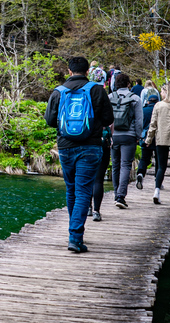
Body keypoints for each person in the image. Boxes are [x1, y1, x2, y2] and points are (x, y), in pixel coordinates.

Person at [45, 56, 114, 253]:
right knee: (84, 190)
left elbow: (50, 120)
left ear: (69, 71)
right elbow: (108, 118)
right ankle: (75, 237)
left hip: (66, 147)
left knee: (71, 189)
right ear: (87, 72)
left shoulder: (58, 92)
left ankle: (74, 232)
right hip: (90, 147)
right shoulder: (97, 90)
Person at [109, 73, 143, 209]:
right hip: (129, 136)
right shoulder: (135, 98)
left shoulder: (110, 97)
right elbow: (139, 121)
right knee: (125, 166)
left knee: (115, 165)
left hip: (114, 136)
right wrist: (138, 136)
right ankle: (120, 196)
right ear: (129, 84)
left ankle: (116, 193)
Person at [144, 82, 170, 204]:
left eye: (162, 91)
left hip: (161, 139)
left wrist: (148, 139)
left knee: (161, 167)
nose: (161, 93)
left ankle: (157, 190)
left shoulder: (158, 106)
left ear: (166, 92)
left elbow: (153, 124)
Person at [135, 94, 159, 191]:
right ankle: (158, 179)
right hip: (158, 138)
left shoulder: (143, 110)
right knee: (159, 160)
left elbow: (139, 123)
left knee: (144, 159)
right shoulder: (159, 110)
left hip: (145, 138)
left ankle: (140, 173)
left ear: (148, 101)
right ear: (157, 102)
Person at [89, 123, 112, 222]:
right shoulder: (105, 108)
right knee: (98, 180)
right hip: (102, 144)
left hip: (87, 145)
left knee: (88, 178)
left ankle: (88, 207)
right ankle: (96, 211)